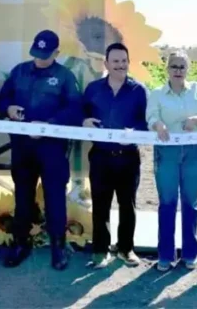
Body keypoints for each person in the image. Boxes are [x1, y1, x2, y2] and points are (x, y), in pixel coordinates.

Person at [0, 30, 82, 270]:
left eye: (45, 54)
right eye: (37, 53)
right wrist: (9, 108)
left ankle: (59, 247)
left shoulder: (65, 76)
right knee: (22, 196)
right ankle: (20, 244)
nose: (40, 58)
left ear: (57, 52)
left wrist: (49, 126)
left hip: (52, 147)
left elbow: (75, 109)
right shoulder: (19, 71)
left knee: (55, 197)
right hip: (22, 145)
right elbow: (3, 99)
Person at [82, 43, 149, 268]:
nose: (121, 65)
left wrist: (135, 132)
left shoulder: (139, 90)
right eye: (116, 61)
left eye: (124, 61)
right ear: (107, 64)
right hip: (100, 156)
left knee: (127, 205)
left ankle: (125, 248)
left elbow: (146, 121)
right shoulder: (93, 89)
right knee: (101, 204)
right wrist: (84, 120)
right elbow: (81, 112)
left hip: (128, 157)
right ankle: (100, 250)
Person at [146, 50, 197, 272]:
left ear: (188, 69)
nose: (178, 71)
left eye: (182, 67)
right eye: (174, 66)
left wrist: (196, 119)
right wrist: (158, 124)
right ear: (167, 69)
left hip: (193, 151)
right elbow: (151, 115)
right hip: (166, 153)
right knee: (167, 202)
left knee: (190, 203)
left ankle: (190, 253)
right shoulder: (157, 93)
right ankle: (165, 255)